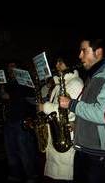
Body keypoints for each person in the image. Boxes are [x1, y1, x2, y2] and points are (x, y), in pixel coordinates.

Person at [59, 39, 105, 183]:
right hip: (86, 148)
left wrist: (71, 104)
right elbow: (91, 110)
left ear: (98, 52)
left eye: (84, 50)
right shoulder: (96, 75)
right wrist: (78, 125)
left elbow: (104, 114)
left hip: (99, 153)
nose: (79, 55)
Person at [38, 55, 84, 183]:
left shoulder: (75, 83)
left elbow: (68, 110)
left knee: (63, 173)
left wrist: (45, 107)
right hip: (56, 131)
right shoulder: (58, 84)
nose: (57, 65)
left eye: (61, 62)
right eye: (57, 62)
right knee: (55, 173)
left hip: (65, 134)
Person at [1, 61, 40, 183]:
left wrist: (8, 95)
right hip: (9, 120)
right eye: (9, 67)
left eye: (13, 67)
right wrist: (2, 90)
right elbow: (4, 97)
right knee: (11, 150)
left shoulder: (24, 82)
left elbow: (29, 96)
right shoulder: (8, 83)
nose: (11, 70)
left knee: (25, 150)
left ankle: (31, 175)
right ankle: (15, 174)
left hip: (21, 120)